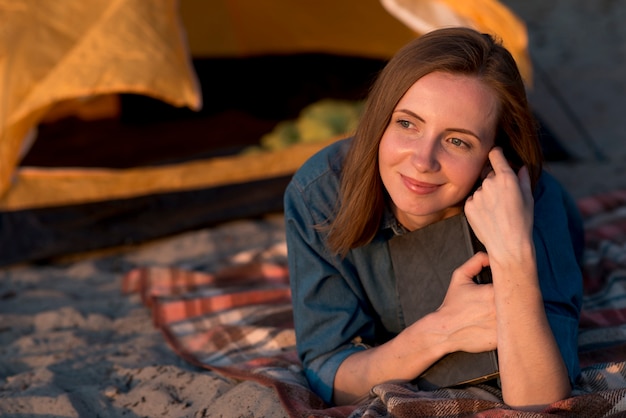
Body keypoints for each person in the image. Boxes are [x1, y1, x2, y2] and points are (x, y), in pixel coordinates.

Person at [284, 27, 583, 410]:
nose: (422, 161)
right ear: (380, 121)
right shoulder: (320, 194)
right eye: (407, 124)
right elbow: (329, 374)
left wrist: (514, 260)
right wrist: (440, 331)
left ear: (495, 155)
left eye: (458, 141)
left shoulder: (532, 202)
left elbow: (539, 400)